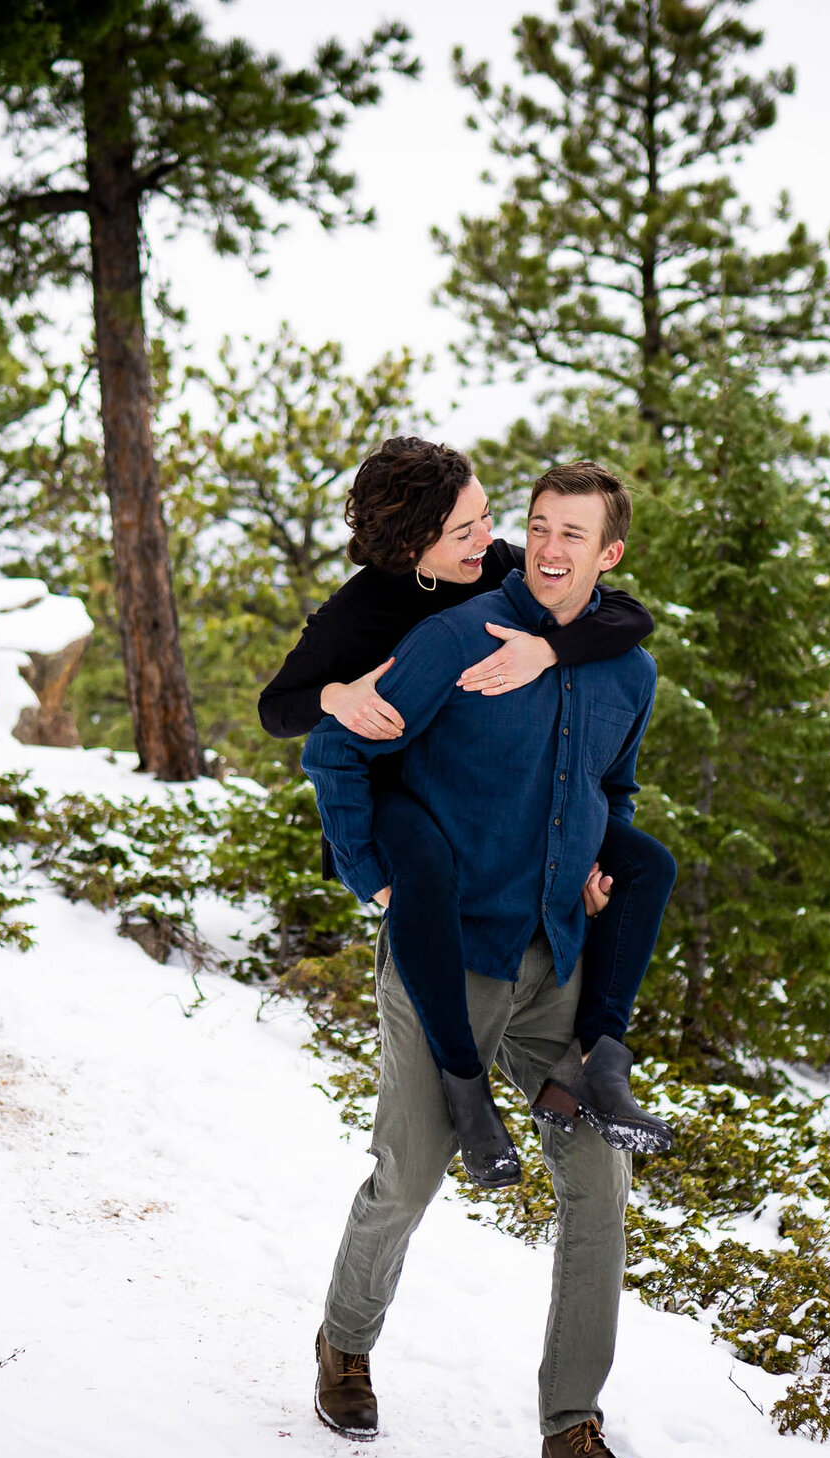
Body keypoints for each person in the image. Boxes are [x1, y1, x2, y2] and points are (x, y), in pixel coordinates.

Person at [302, 461, 661, 1458]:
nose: (548, 548)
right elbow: (334, 747)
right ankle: (345, 1342)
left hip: (556, 961)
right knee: (410, 1175)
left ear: (610, 556)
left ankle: (570, 1427)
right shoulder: (456, 640)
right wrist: (369, 872)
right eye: (537, 526)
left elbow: (614, 788)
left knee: (597, 1183)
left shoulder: (625, 673)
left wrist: (606, 853)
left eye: (573, 534)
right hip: (445, 955)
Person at [259, 439, 677, 1182]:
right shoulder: (360, 617)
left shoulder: (501, 564)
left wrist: (550, 653)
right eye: (468, 531)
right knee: (424, 867)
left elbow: (626, 617)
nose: (493, 541)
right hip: (393, 790)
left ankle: (604, 1053)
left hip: (480, 791)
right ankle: (462, 1079)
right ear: (418, 545)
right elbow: (280, 712)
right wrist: (335, 697)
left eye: (489, 519)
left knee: (646, 861)